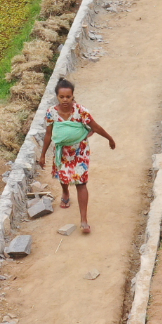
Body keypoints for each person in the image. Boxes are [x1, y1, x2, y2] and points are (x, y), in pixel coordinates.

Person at [39, 79, 116, 236]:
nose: (65, 100)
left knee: (81, 184)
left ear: (73, 96)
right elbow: (48, 134)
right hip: (62, 153)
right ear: (57, 97)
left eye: (68, 97)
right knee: (64, 177)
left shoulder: (81, 112)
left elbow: (96, 127)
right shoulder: (51, 113)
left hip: (80, 152)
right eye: (62, 97)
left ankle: (84, 220)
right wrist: (42, 155)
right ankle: (65, 192)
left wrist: (110, 138)